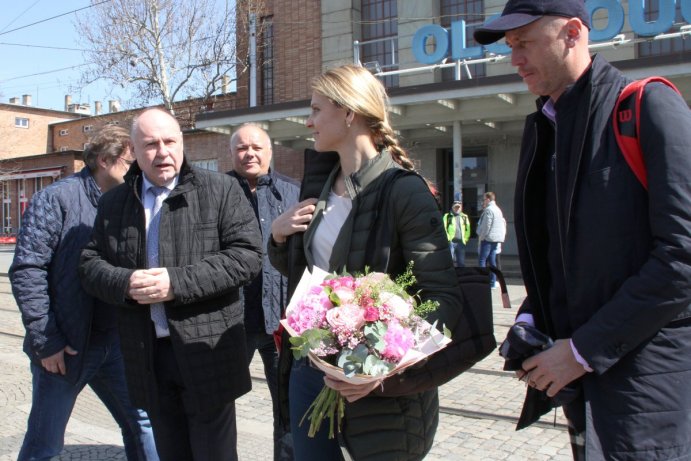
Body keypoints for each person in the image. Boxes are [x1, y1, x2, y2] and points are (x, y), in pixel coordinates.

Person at [474, 0, 691, 459]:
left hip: (647, 395)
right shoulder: (547, 128)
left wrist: (581, 351)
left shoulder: (647, 106)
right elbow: (563, 261)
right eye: (510, 47)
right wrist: (533, 316)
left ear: (573, 32)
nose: (514, 59)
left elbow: (683, 257)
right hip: (584, 393)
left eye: (524, 43)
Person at [267, 64, 462, 461]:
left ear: (349, 113)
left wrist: (382, 369)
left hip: (376, 381)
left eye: (316, 110)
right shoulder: (319, 186)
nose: (308, 122)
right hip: (310, 366)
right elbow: (309, 277)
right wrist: (278, 236)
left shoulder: (405, 191)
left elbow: (443, 297)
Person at [78, 108, 263, 461]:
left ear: (182, 143)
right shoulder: (115, 202)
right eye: (150, 144)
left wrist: (175, 283)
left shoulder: (221, 190)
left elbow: (247, 257)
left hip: (206, 352)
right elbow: (89, 265)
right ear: (133, 149)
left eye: (170, 141)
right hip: (147, 355)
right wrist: (126, 283)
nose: (162, 152)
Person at [9, 125, 158, 461]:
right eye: (131, 162)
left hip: (117, 343)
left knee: (143, 421)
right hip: (67, 346)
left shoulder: (129, 203)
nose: (139, 171)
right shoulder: (56, 199)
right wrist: (47, 342)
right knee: (44, 442)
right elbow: (27, 270)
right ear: (105, 160)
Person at [227, 123, 298, 461]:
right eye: (242, 147)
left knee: (287, 405)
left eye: (256, 147)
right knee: (218, 404)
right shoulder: (216, 192)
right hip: (232, 322)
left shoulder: (293, 194)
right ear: (232, 153)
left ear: (270, 151)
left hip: (282, 323)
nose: (249, 153)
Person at [476, 191, 506, 287]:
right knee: (492, 261)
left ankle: (482, 281)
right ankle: (493, 282)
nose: (483, 201)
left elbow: (486, 226)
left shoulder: (489, 210)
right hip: (496, 239)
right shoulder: (498, 209)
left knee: (482, 260)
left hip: (488, 239)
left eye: (484, 199)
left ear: (488, 199)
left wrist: (482, 236)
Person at [443, 200, 471, 267]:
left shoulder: (464, 217)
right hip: (451, 242)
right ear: (452, 207)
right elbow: (444, 228)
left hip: (461, 242)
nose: (457, 209)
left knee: (461, 262)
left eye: (458, 207)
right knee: (449, 262)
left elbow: (468, 229)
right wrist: (448, 238)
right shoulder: (447, 216)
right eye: (456, 207)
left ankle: (460, 276)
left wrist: (466, 238)